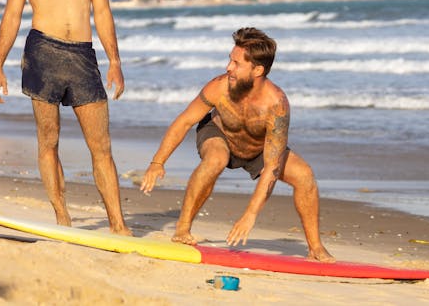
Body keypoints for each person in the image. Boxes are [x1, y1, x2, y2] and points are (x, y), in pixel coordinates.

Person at [0, 0, 130, 235]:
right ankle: (62, 218)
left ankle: (118, 224)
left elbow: (103, 12)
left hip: (83, 54)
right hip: (42, 53)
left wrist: (114, 60)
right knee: (48, 140)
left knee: (101, 145)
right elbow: (12, 15)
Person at [141, 27, 334, 262]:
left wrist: (250, 214)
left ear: (258, 70)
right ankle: (182, 228)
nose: (228, 67)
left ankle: (315, 247)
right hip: (218, 134)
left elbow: (272, 165)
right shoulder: (220, 86)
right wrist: (157, 162)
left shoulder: (276, 105)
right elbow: (185, 121)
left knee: (304, 175)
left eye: (236, 63)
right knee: (216, 159)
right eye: (229, 60)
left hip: (257, 149)